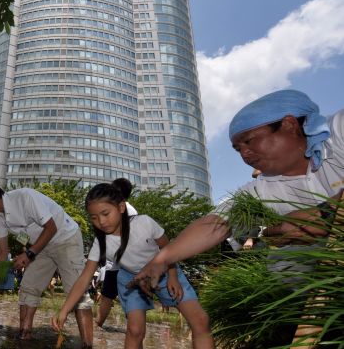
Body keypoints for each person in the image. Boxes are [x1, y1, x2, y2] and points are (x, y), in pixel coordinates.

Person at [133, 89, 342, 291]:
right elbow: (214, 223)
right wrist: (161, 259)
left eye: (249, 141)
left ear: (289, 125)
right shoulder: (261, 190)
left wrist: (327, 214)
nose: (244, 154)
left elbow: (327, 217)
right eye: (238, 149)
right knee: (283, 263)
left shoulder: (337, 133)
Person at [51, 183, 220, 349]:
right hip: (129, 279)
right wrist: (64, 310)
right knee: (135, 329)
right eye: (94, 218)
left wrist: (174, 276)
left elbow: (168, 247)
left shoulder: (144, 223)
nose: (101, 222)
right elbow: (84, 278)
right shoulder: (100, 242)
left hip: (165, 270)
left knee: (200, 319)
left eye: (105, 213)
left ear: (121, 207)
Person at [0, 176, 94, 345]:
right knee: (28, 288)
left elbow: (51, 227)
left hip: (65, 239)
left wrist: (29, 254)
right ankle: (24, 335)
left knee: (78, 294)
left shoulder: (25, 197)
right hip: (40, 247)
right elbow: (1, 252)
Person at [96, 178, 138, 328]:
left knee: (124, 297)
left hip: (124, 264)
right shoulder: (123, 209)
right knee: (108, 296)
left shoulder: (127, 210)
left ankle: (134, 328)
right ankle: (99, 324)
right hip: (115, 263)